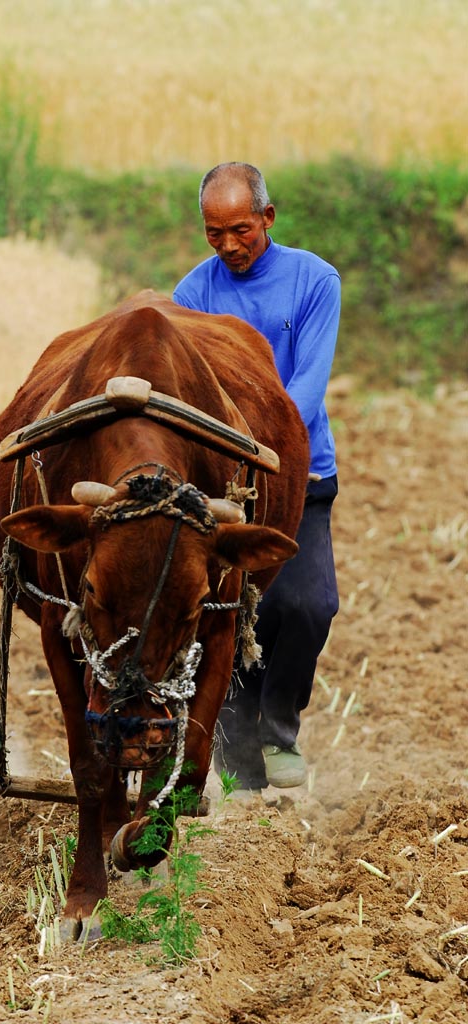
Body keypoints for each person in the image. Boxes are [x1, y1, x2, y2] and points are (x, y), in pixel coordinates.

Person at [173, 161, 340, 792]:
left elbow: (306, 388)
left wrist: (257, 447)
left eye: (240, 229)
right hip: (218, 491)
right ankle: (240, 771)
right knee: (219, 613)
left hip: (300, 472)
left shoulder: (315, 281)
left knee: (306, 605)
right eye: (214, 234)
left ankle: (278, 729)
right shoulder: (191, 296)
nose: (229, 246)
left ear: (267, 218)